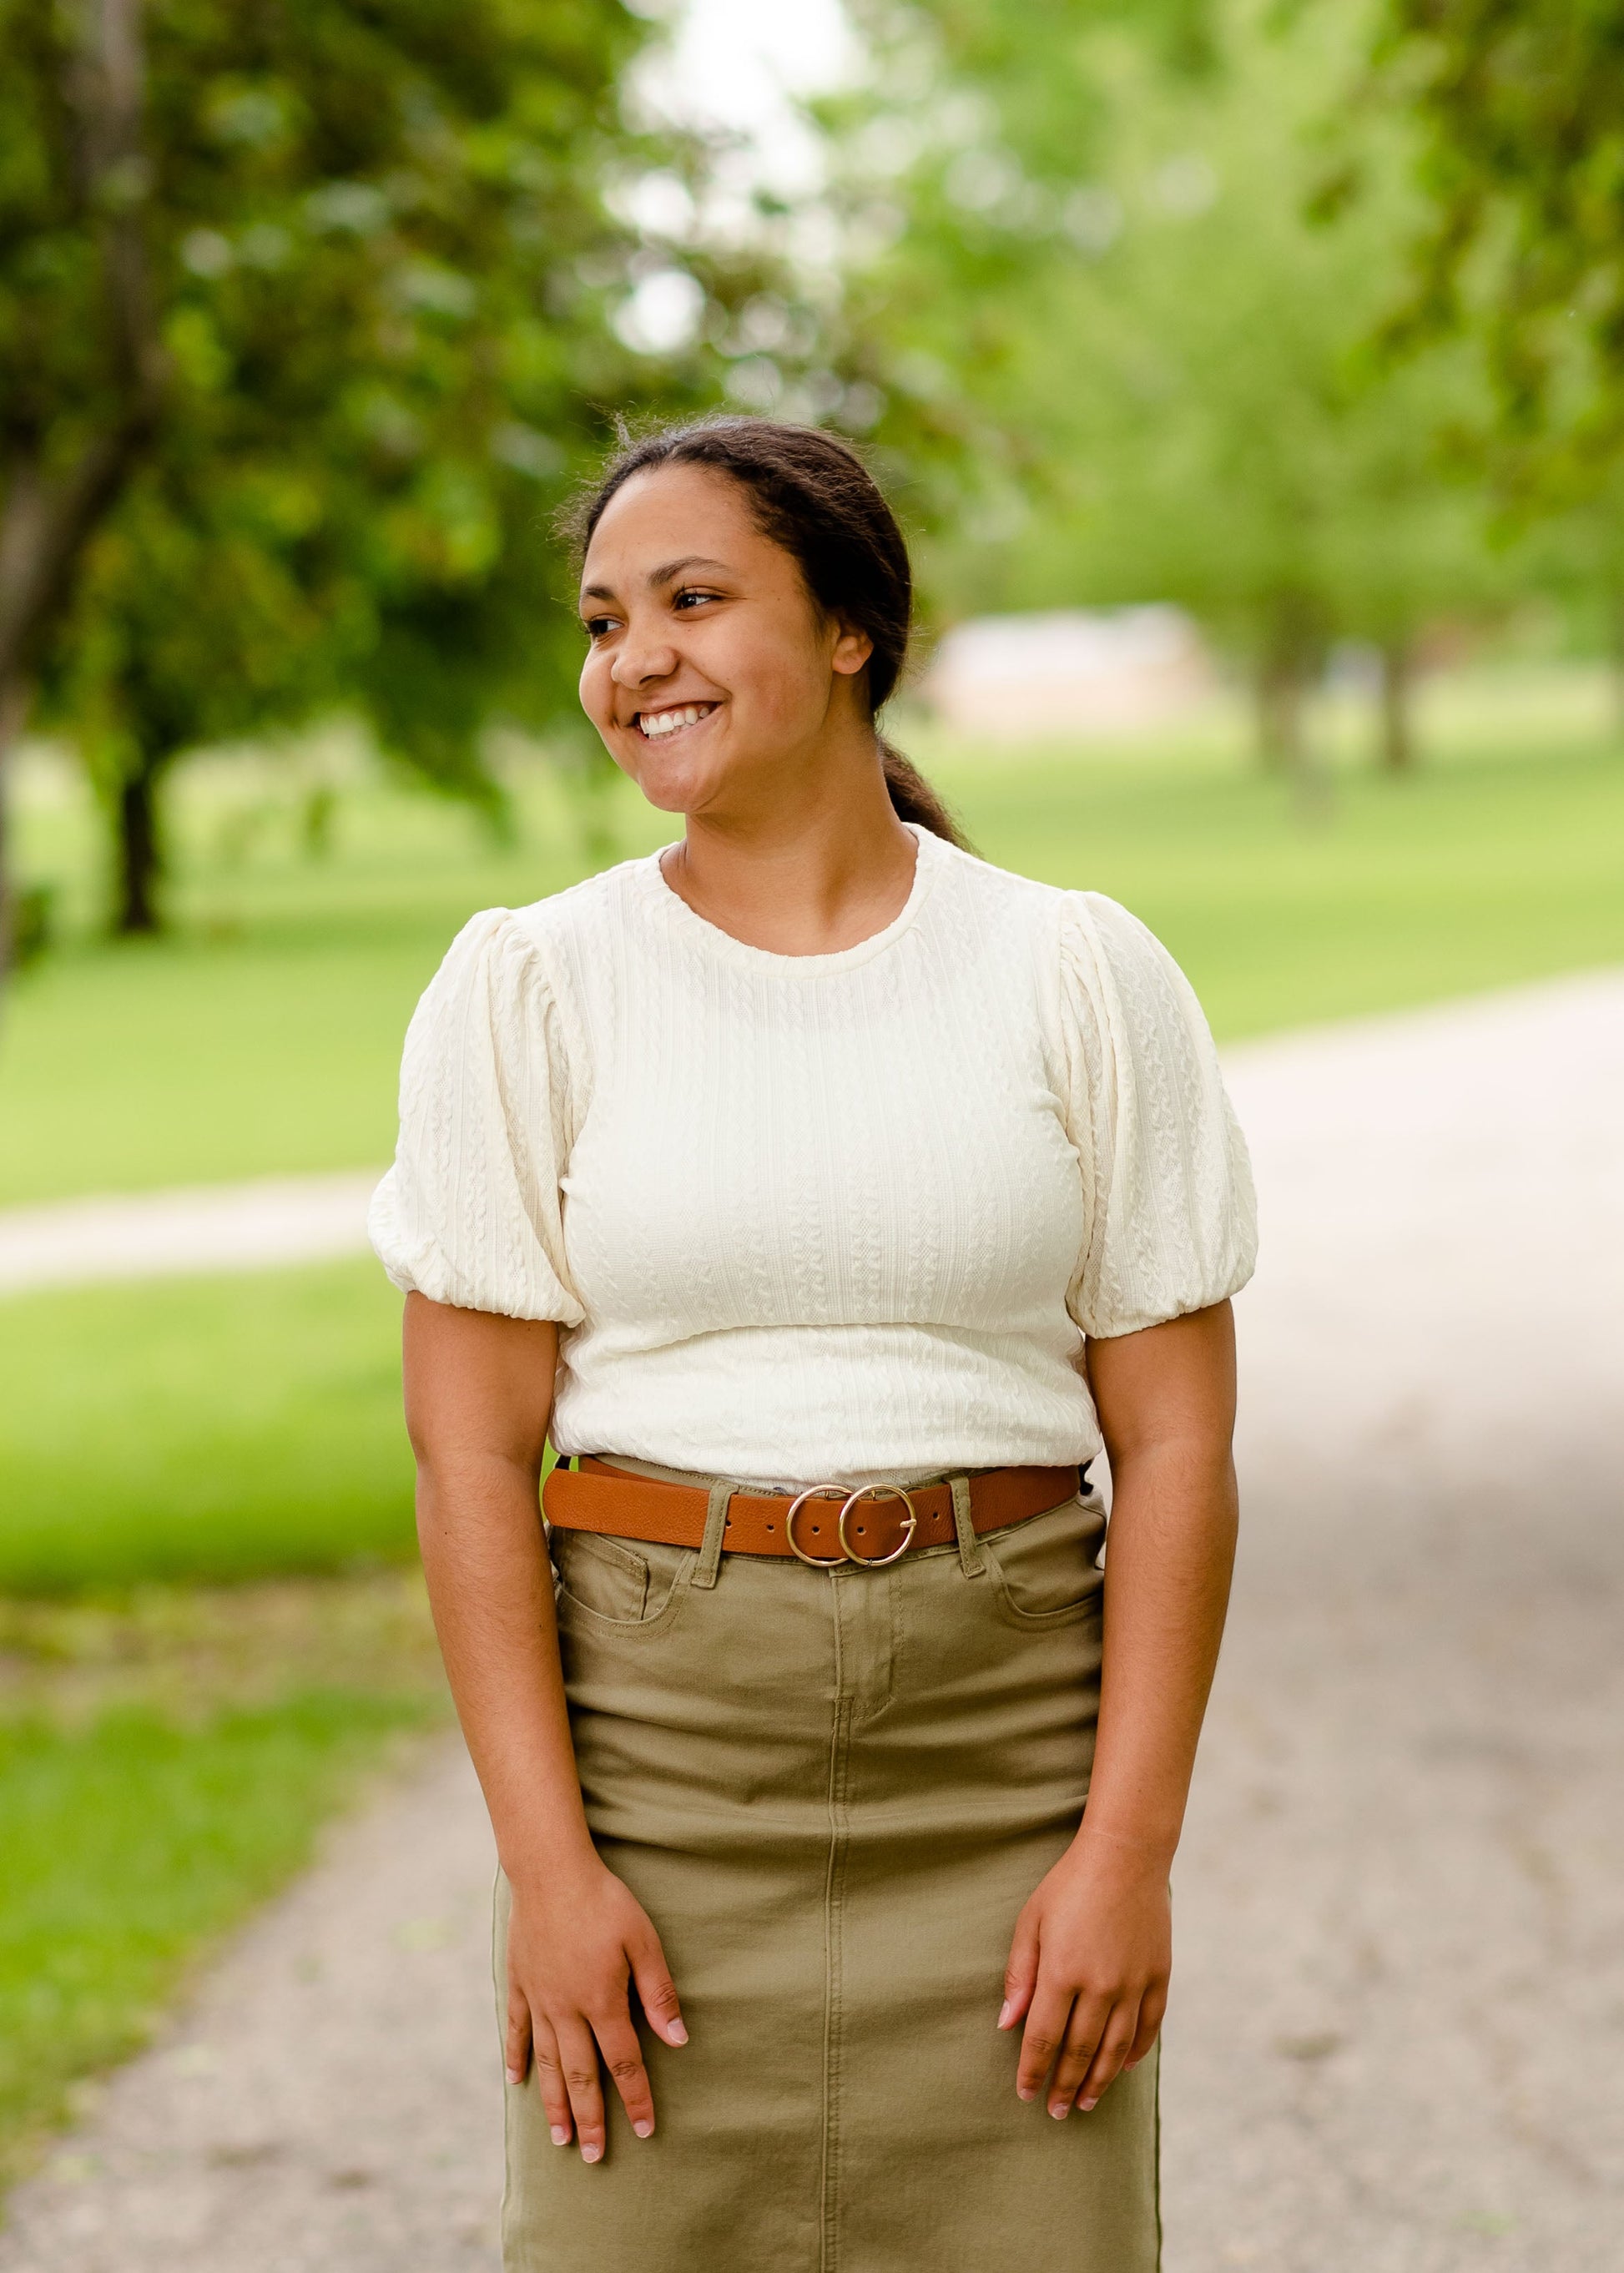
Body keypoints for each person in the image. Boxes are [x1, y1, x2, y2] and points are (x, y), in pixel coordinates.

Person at [369, 415, 1257, 2272]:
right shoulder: (527, 986)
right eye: (605, 621)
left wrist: (1124, 1855)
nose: (635, 662)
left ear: (850, 626)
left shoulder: (1079, 972)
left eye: (695, 600)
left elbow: (1176, 1448)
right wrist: (549, 1875)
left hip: (1005, 1758)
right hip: (665, 1771)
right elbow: (469, 1457)